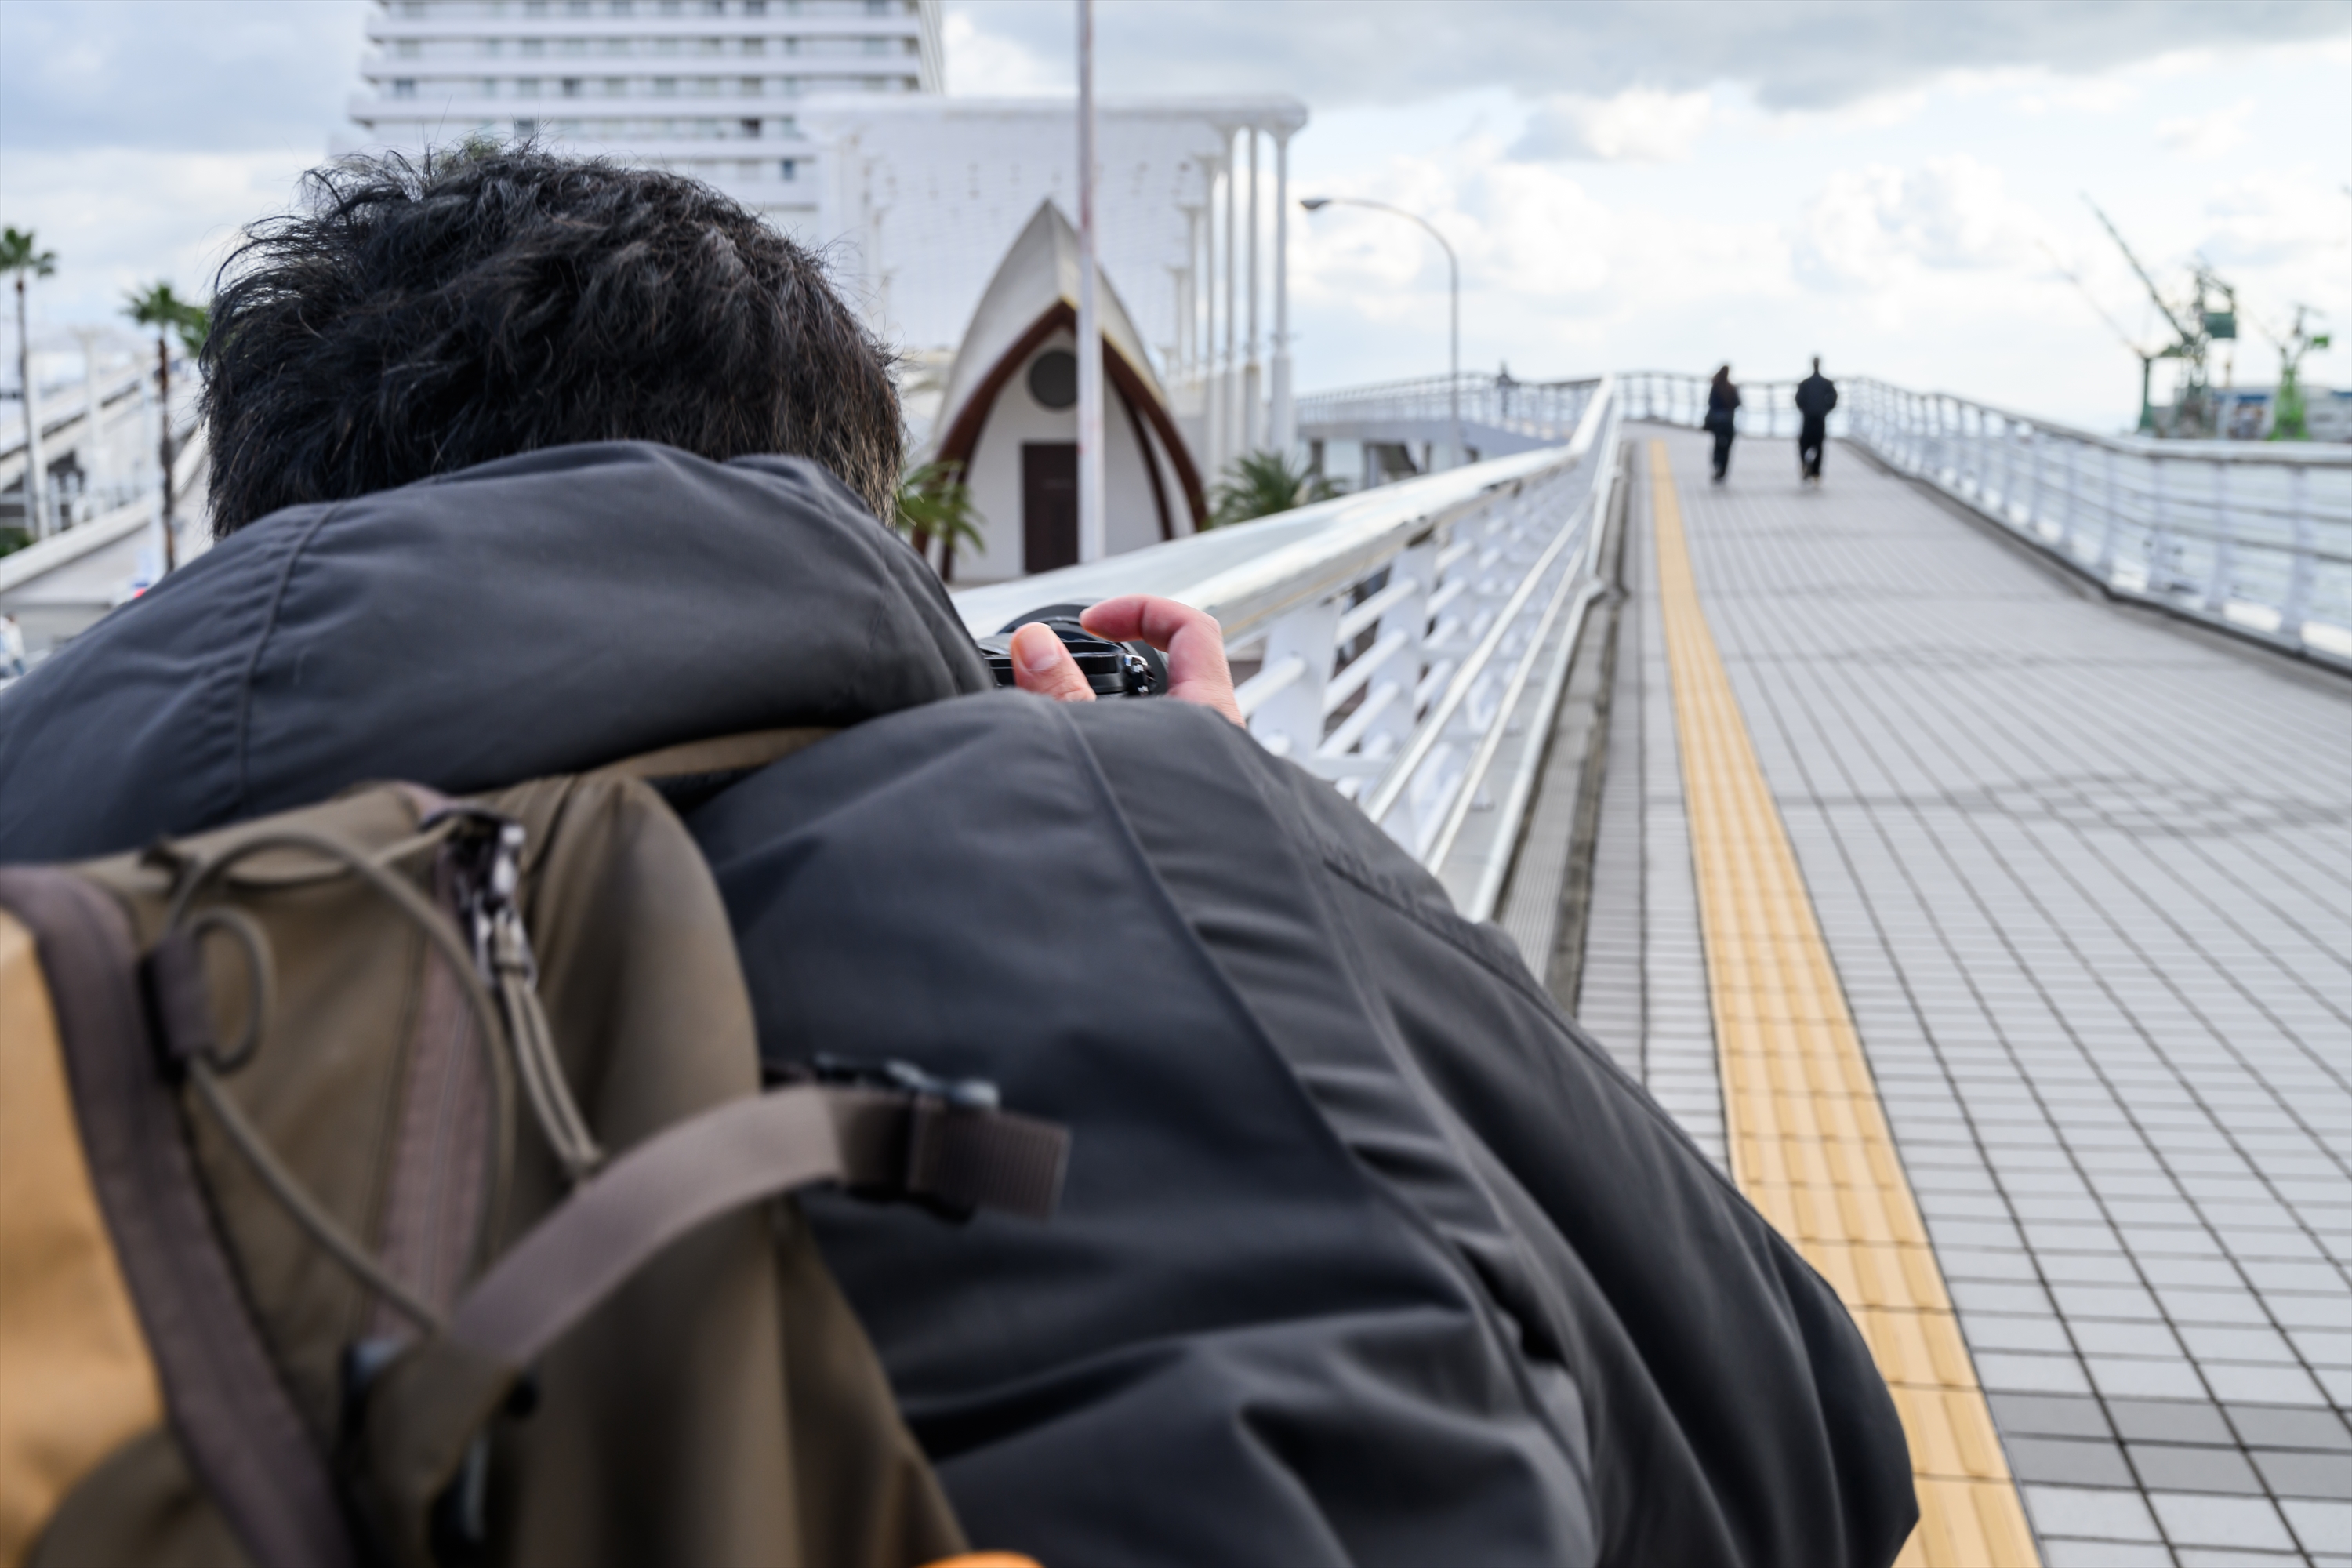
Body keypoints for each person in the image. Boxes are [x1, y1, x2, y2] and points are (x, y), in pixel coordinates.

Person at [0, 148, 1915, 1568]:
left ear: (266, 518)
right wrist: (1198, 869)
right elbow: (1813, 1440)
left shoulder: (44, 980)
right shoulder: (1132, 828)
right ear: (839, 511)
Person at [1796, 356, 1839, 483]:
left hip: (1808, 418)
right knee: (1819, 446)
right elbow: (1834, 398)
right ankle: (1816, 473)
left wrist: (1805, 410)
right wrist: (1826, 410)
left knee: (1804, 443)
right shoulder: (1827, 383)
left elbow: (1798, 400)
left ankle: (1805, 462)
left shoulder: (1805, 383)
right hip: (1820, 418)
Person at [1704, 364, 1740, 482]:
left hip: (1718, 422)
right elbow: (1738, 403)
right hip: (1729, 422)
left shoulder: (1716, 386)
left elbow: (1711, 403)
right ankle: (1723, 468)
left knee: (1718, 445)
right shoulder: (1731, 388)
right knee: (1727, 446)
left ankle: (1717, 464)